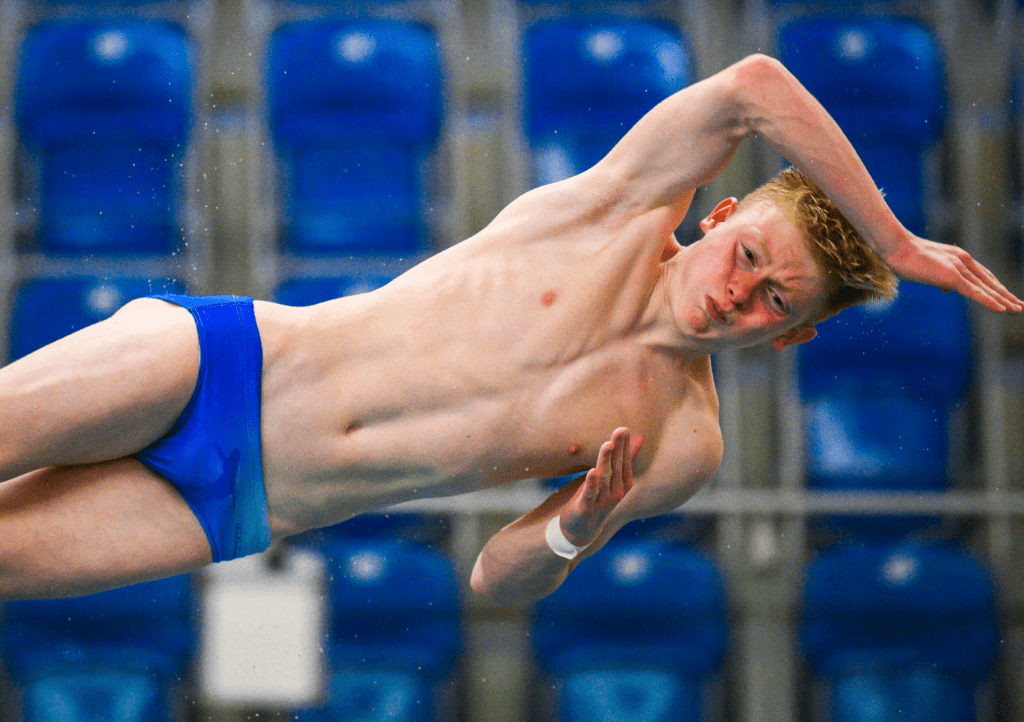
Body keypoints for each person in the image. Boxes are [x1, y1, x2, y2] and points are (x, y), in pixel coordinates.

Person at [0, 54, 1019, 602]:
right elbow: (753, 87)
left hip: (243, 505)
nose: (736, 293)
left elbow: (499, 576)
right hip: (218, 364)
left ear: (790, 337)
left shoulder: (682, 441)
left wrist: (577, 523)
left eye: (773, 303)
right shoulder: (610, 213)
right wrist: (896, 241)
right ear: (719, 215)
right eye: (747, 256)